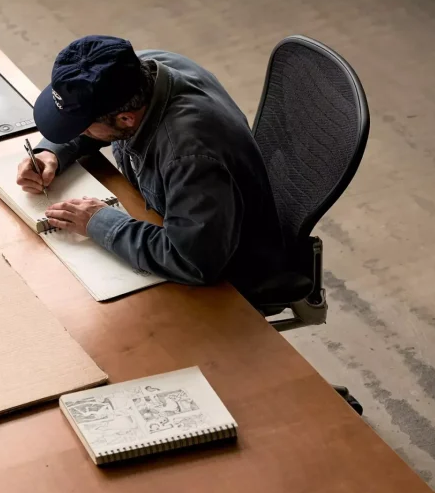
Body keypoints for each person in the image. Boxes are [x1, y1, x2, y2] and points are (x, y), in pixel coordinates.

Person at [18, 35, 288, 303]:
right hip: (188, 220)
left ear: (126, 118)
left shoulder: (189, 155)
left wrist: (98, 222)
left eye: (83, 127)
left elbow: (192, 261)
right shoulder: (135, 74)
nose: (81, 133)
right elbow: (103, 123)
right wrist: (52, 152)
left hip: (232, 277)